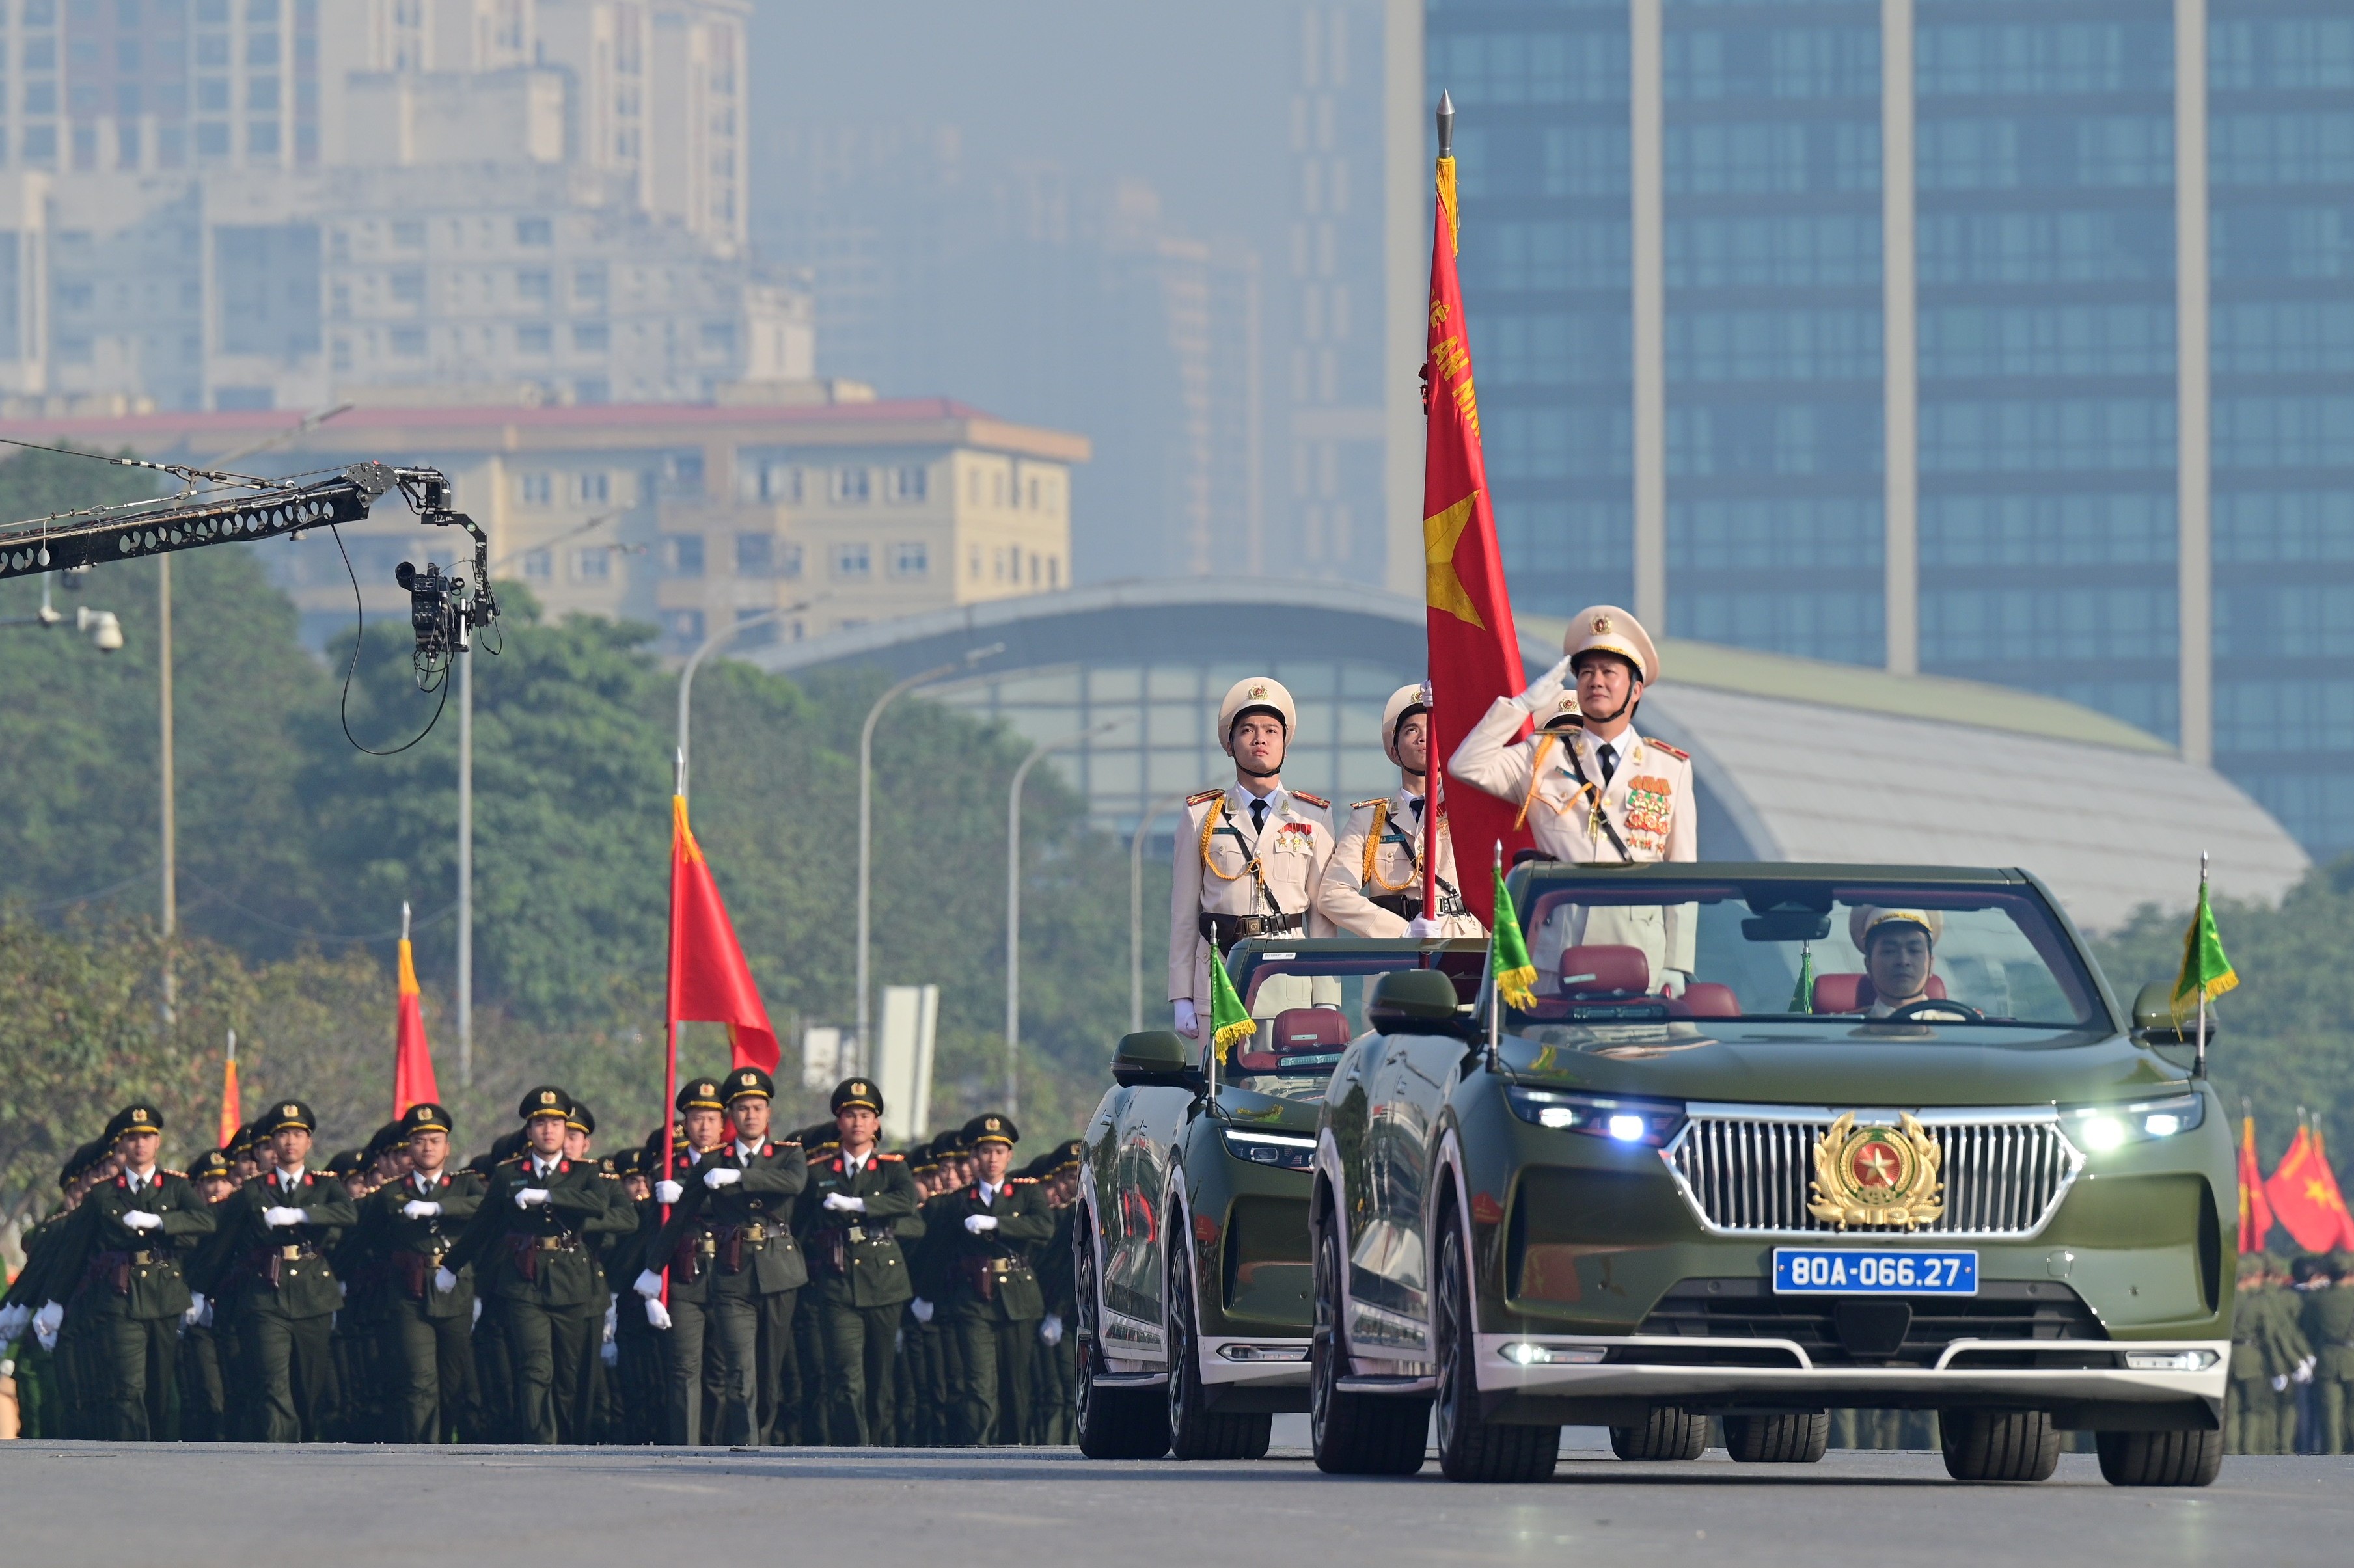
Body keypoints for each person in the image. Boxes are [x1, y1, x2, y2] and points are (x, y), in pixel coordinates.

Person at [1450, 605, 1695, 992]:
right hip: (1560, 955)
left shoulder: (1669, 768)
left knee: (1638, 1054)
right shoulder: (1541, 756)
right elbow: (1466, 764)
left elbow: (1683, 878)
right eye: (1585, 672)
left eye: (1608, 672)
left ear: (1635, 690)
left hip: (1641, 961)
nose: (1595, 681)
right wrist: (1522, 706)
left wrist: (1678, 966)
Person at [20, 1104, 215, 1440]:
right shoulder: (103, 1194)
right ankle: (134, 1456)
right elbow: (75, 1251)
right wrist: (55, 1302)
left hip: (164, 1296)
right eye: (133, 1138)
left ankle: (157, 1448)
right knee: (129, 1386)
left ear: (158, 1143)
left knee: (157, 1389)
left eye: (147, 1137)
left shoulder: (176, 1188)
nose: (140, 1144)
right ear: (122, 1145)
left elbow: (206, 1222)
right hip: (120, 1300)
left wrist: (161, 1222)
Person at [443, 1087, 626, 1444]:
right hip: (524, 1280)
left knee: (568, 1373)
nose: (548, 1130)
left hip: (572, 1280)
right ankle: (541, 1443)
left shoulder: (585, 1173)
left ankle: (568, 1443)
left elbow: (598, 1207)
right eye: (540, 1123)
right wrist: (451, 1266)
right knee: (535, 1365)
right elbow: (483, 1225)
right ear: (529, 1131)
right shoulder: (509, 1174)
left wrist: (549, 1196)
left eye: (556, 1123)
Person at [635, 1070, 808, 1445]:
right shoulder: (712, 1160)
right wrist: (653, 1270)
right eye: (743, 1109)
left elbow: (793, 1184)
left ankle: (762, 1434)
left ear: (768, 1114)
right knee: (739, 1369)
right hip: (730, 1275)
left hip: (779, 1271)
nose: (751, 1115)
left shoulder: (789, 1155)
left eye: (758, 1108)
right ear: (732, 1115)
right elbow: (681, 1217)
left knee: (769, 1370)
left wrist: (739, 1179)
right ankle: (747, 1446)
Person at [1169, 677, 1336, 1041]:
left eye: (1271, 730)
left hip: (1289, 979)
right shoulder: (1202, 816)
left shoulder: (1313, 817)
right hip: (1219, 976)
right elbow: (1184, 914)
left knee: (1284, 1091)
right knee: (1220, 1092)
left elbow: (1321, 918)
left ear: (1285, 746)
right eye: (1247, 729)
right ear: (1230, 745)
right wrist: (1181, 996)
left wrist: (1326, 999)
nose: (1259, 738)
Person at [192, 1100, 357, 1442]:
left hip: (313, 1293)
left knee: (309, 1388)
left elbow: (348, 1216)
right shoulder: (253, 1190)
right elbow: (222, 1243)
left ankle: (308, 1446)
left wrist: (303, 1216)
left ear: (309, 1142)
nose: (291, 1141)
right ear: (272, 1143)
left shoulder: (325, 1186)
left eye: (298, 1134)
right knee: (273, 1383)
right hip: (266, 1297)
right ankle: (280, 1455)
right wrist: (198, 1291)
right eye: (283, 1135)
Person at [798, 1076, 924, 1446]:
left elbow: (907, 1202)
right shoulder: (819, 1172)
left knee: (880, 1375)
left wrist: (861, 1205)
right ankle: (853, 1445)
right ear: (839, 1122)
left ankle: (880, 1447)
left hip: (884, 1282)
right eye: (849, 1114)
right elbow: (801, 1224)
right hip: (836, 1284)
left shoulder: (892, 1168)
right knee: (844, 1374)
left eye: (865, 1115)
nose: (857, 1122)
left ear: (876, 1123)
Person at [927, 1113, 1055, 1445]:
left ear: (1010, 1156)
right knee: (979, 1382)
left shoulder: (1027, 1194)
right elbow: (938, 1252)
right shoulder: (956, 1202)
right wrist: (929, 1297)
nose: (993, 1158)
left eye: (1000, 1151)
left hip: (1017, 1296)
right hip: (972, 1299)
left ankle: (1015, 1447)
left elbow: (1043, 1228)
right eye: (985, 1151)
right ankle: (980, 1447)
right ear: (974, 1157)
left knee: (1015, 1382)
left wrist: (997, 1225)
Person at [1321, 682, 1485, 939]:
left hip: (1461, 947)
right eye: (1411, 730)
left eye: (1432, 729)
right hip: (1397, 958)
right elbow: (1333, 894)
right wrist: (1401, 931)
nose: (1423, 738)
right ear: (1394, 751)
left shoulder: (1468, 811)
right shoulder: (1369, 819)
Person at [364, 1100, 483, 1443]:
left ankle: (445, 1443)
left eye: (435, 1140)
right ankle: (422, 1452)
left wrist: (438, 1207)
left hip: (455, 1289)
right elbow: (368, 1238)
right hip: (409, 1292)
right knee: (419, 1379)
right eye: (419, 1141)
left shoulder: (466, 1186)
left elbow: (483, 1209)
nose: (427, 1148)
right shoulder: (391, 1193)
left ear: (447, 1147)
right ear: (409, 1148)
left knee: (451, 1382)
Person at [1846, 907, 1945, 1016]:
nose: (1903, 961)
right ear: (1868, 965)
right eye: (1889, 951)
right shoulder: (1842, 1029)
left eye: (1914, 950)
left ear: (1931, 965)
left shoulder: (1959, 1028)